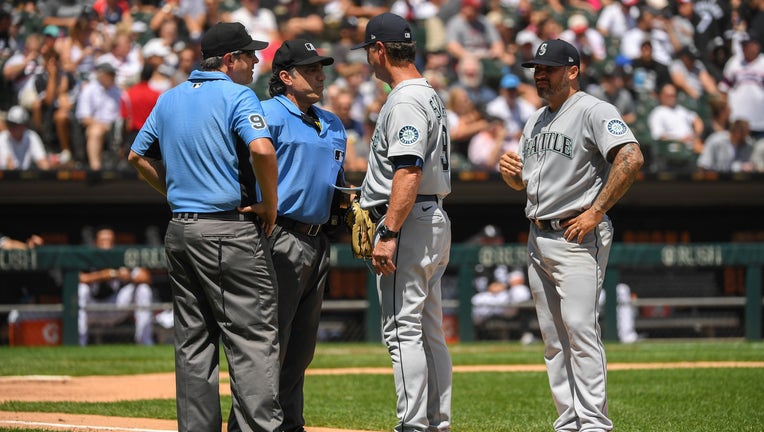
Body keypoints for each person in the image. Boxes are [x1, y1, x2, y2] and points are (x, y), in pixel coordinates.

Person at [127, 21, 282, 432]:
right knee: (251, 340)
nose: (255, 62)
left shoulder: (169, 98)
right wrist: (270, 203)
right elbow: (263, 149)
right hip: (227, 230)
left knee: (194, 342)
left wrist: (176, 195)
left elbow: (137, 157)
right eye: (249, 55)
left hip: (180, 229)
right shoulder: (237, 94)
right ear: (229, 60)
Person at [499, 39, 644, 432]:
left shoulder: (595, 110)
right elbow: (525, 184)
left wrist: (597, 211)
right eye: (536, 69)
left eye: (549, 68)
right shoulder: (535, 120)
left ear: (573, 71)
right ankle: (568, 420)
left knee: (580, 330)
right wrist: (512, 177)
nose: (540, 75)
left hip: (577, 234)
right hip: (538, 234)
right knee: (553, 339)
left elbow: (631, 157)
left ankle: (595, 422)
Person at [352, 12, 453, 432]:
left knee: (401, 330)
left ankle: (412, 424)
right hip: (429, 216)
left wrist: (389, 231)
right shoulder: (426, 92)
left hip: (409, 222)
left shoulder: (406, 98)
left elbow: (407, 171)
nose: (368, 61)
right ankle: (435, 422)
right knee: (427, 330)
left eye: (368, 52)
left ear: (379, 50)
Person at [260, 39, 345, 432]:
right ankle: (253, 424)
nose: (320, 74)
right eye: (310, 69)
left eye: (320, 68)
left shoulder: (333, 123)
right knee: (270, 343)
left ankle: (290, 424)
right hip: (278, 235)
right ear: (285, 77)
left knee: (301, 347)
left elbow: (337, 184)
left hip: (318, 240)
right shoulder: (266, 115)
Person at [77, 226, 155, 346]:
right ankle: (79, 343)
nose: (106, 244)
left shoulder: (122, 257)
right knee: (81, 289)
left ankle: (145, 343)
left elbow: (146, 277)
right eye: (103, 241)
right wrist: (102, 276)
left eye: (110, 241)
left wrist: (129, 277)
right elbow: (76, 278)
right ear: (95, 243)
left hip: (116, 306)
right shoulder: (88, 257)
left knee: (143, 289)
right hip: (92, 309)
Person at [0, 105, 50, 170]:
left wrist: (45, 168)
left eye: (15, 125)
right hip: (6, 178)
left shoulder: (31, 137)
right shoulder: (3, 138)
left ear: (24, 126)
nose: (11, 128)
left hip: (26, 177)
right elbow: (9, 166)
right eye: (9, 124)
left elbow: (43, 162)